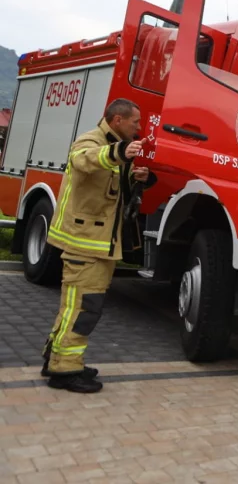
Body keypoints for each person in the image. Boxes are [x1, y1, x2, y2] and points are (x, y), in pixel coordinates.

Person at [41, 99, 157, 393]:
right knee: (83, 309)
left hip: (99, 245)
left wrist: (139, 176)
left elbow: (111, 187)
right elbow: (85, 161)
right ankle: (64, 370)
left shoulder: (112, 146)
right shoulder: (91, 141)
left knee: (74, 308)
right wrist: (119, 153)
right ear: (117, 120)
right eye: (135, 122)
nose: (139, 128)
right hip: (86, 246)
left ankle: (57, 357)